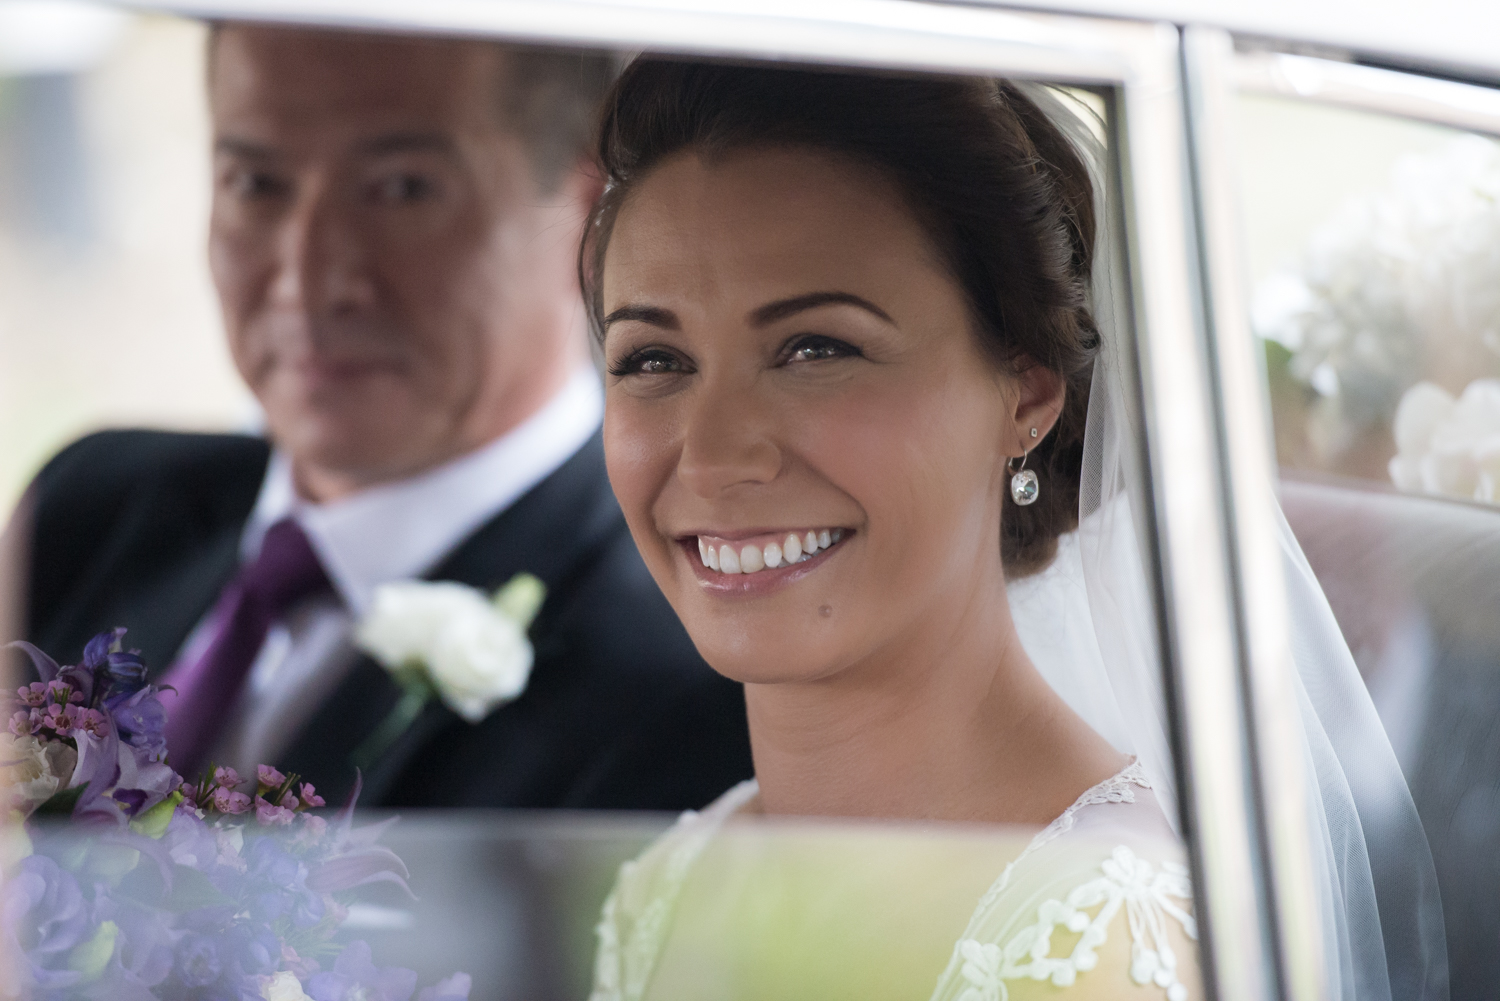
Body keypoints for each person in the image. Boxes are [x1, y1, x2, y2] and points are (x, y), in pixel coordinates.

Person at [579, 59, 1449, 1001]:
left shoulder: (1095, 938)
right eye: (653, 359)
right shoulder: (673, 882)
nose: (711, 458)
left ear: (1027, 389)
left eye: (815, 348)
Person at [14, 27, 752, 811]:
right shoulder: (90, 507)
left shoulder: (682, 670)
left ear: (586, 210)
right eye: (257, 182)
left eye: (402, 188)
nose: (309, 278)